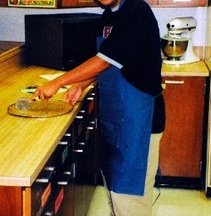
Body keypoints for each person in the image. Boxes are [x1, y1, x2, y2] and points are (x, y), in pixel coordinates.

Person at [31, 0, 165, 215]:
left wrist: (58, 82)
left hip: (140, 121)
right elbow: (109, 60)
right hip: (118, 119)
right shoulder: (109, 15)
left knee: (129, 196)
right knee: (115, 191)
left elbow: (103, 61)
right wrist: (81, 84)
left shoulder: (136, 10)